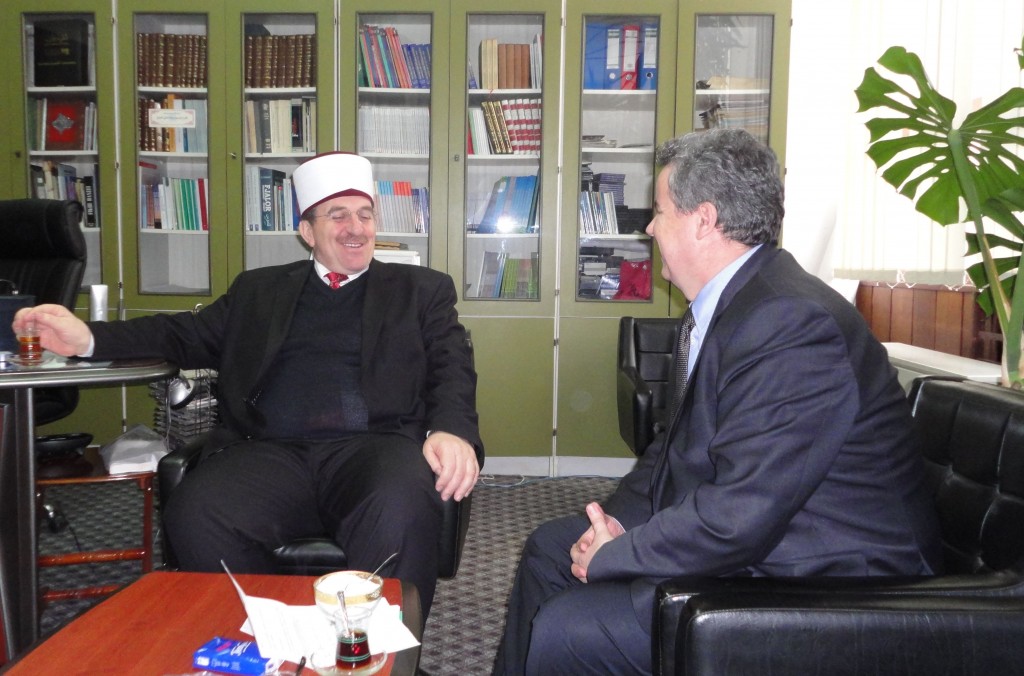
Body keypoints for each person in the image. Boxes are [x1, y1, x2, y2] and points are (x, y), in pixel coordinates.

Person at [492, 128, 942, 675]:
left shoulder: (790, 321)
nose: (649, 228)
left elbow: (741, 513)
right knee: (551, 550)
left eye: (659, 212)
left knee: (571, 630)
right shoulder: (739, 301)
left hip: (830, 576)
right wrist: (609, 524)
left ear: (703, 220)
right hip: (767, 537)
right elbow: (671, 451)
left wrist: (617, 554)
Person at [14, 151, 482, 617]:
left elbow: (452, 363)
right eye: (338, 215)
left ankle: (374, 649)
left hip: (376, 447)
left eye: (365, 215)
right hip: (269, 450)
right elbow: (180, 334)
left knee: (399, 508)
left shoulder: (421, 290)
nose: (355, 228)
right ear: (307, 232)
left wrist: (451, 429)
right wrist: (87, 338)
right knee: (198, 512)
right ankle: (260, 633)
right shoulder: (259, 290)